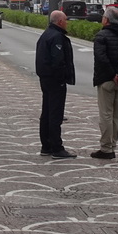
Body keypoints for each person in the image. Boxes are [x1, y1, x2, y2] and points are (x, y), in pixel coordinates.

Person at [36, 10, 76, 158]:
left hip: (45, 79)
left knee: (46, 112)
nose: (67, 23)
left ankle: (46, 146)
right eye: (65, 20)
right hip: (54, 80)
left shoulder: (46, 34)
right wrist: (62, 77)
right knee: (55, 114)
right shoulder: (57, 37)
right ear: (59, 22)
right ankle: (56, 147)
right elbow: (58, 61)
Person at [91, 6, 118, 160]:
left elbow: (101, 58)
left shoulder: (101, 36)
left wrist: (112, 75)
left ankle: (106, 148)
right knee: (117, 116)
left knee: (106, 115)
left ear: (106, 20)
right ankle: (113, 145)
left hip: (106, 79)